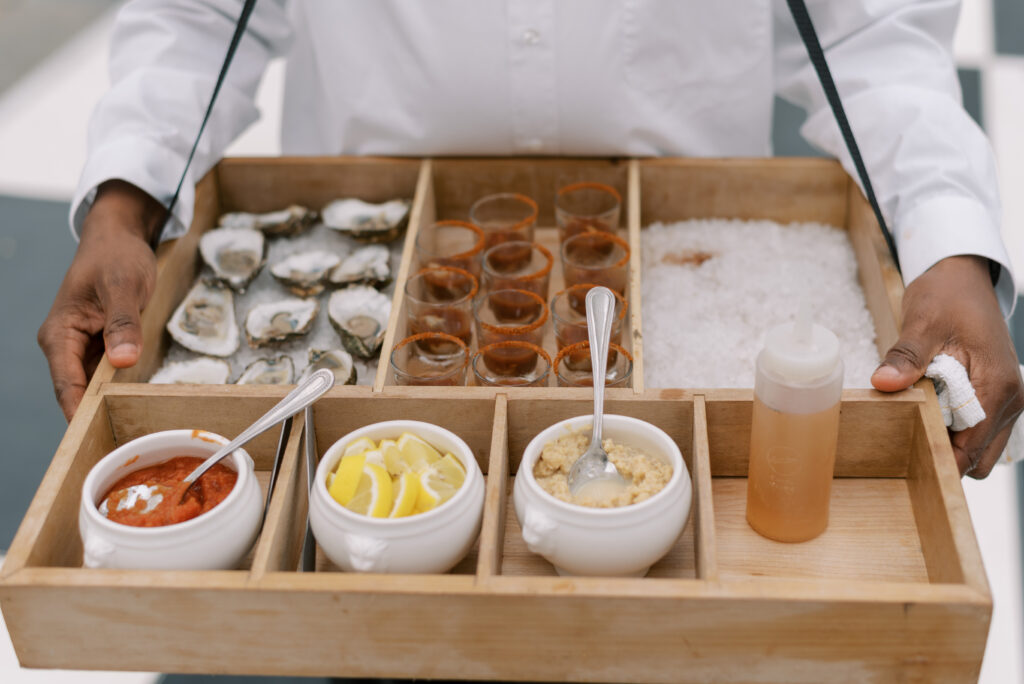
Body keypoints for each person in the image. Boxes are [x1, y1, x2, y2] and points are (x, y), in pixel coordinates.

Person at [38, 0, 1023, 478]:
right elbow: (198, 11)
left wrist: (946, 238)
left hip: (675, 286)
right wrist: (129, 198)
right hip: (388, 316)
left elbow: (869, 28)